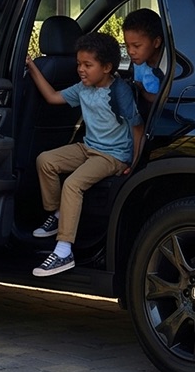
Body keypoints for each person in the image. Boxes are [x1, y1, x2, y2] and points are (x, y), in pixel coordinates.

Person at [25, 30, 143, 277]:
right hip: (88, 147)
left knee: (72, 184)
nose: (81, 69)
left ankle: (64, 250)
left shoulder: (119, 91)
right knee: (45, 161)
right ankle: (59, 213)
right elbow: (53, 97)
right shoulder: (83, 88)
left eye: (88, 65)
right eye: (79, 64)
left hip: (111, 156)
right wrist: (32, 66)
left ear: (107, 67)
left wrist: (134, 161)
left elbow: (137, 127)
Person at [121, 7, 167, 113]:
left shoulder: (168, 67)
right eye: (127, 45)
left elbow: (164, 100)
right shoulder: (138, 62)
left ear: (156, 42)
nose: (131, 51)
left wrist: (142, 91)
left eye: (136, 46)